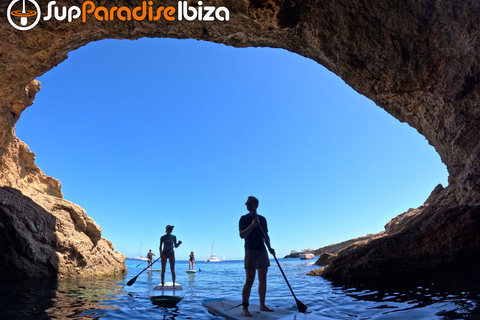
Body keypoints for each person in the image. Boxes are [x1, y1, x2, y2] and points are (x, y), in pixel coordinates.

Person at [239, 196, 275, 317]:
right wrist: (252, 225)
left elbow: (266, 236)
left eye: (249, 203)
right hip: (250, 251)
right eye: (246, 203)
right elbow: (242, 235)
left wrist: (270, 248)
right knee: (249, 280)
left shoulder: (263, 219)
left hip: (262, 251)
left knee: (263, 279)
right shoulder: (243, 219)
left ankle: (262, 305)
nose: (246, 205)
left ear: (255, 204)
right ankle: (245, 308)